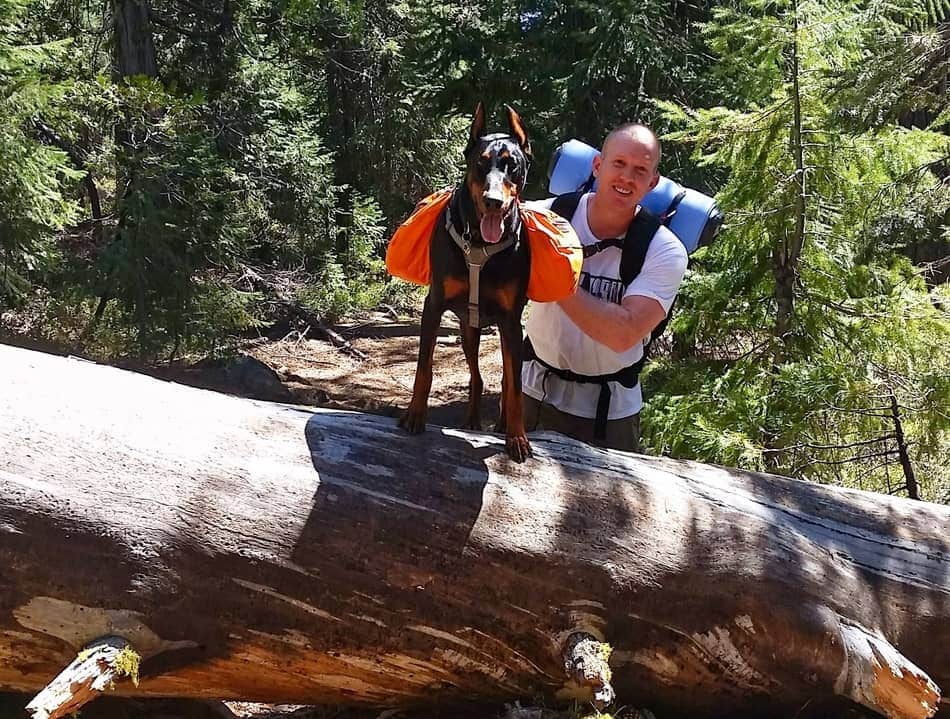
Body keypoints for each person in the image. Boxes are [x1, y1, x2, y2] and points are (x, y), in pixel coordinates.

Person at [521, 123, 688, 452]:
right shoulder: (544, 218)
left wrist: (555, 276)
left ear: (652, 183)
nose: (627, 177)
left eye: (640, 170)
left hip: (609, 413)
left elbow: (623, 333)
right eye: (619, 163)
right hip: (530, 391)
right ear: (598, 165)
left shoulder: (664, 250)